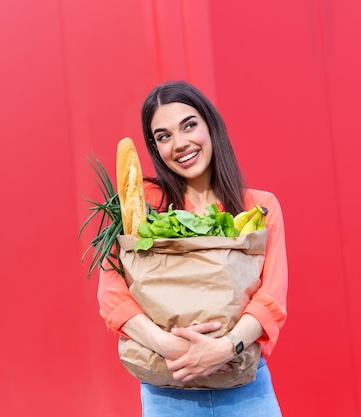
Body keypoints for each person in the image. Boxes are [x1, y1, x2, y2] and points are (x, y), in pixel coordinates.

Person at [97, 81, 288, 417]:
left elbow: (270, 299)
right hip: (168, 390)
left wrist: (225, 348)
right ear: (155, 148)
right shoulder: (142, 206)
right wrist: (169, 346)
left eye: (189, 125)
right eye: (164, 136)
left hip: (245, 390)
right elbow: (112, 295)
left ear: (210, 125)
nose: (180, 143)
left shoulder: (258, 207)